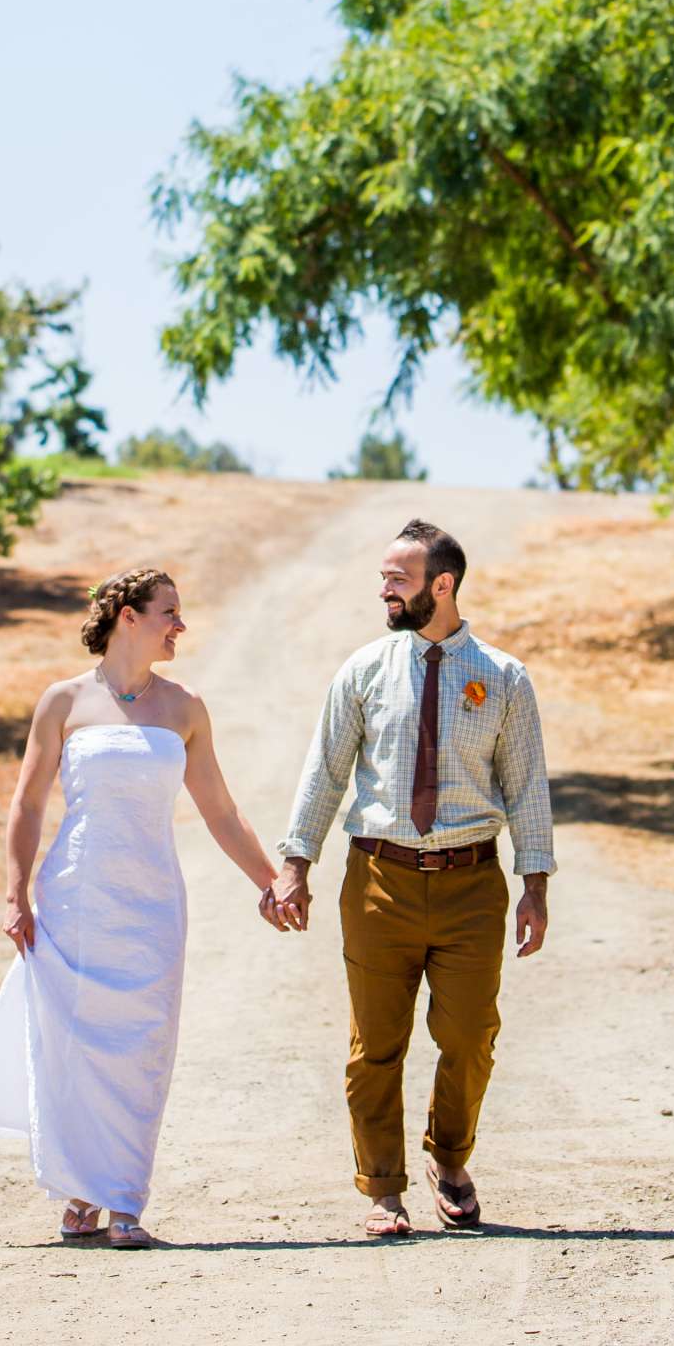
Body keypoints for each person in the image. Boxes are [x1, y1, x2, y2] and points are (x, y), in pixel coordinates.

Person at [0, 565, 287, 1245]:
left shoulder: (185, 708)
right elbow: (27, 803)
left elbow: (220, 809)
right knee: (74, 1048)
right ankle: (80, 1194)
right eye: (169, 611)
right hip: (76, 897)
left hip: (152, 903)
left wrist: (269, 879)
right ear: (127, 617)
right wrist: (15, 893)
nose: (180, 625)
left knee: (142, 1047)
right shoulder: (63, 702)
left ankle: (126, 1198)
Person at [263, 517, 555, 1236]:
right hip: (378, 882)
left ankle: (449, 1159)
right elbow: (326, 771)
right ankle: (383, 1189)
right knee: (376, 1044)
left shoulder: (504, 677)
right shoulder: (363, 672)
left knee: (470, 1035)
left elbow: (526, 788)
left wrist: (535, 885)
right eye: (385, 577)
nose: (384, 589)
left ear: (442, 584)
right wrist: (296, 864)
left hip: (471, 886)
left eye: (398, 578)